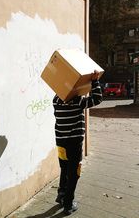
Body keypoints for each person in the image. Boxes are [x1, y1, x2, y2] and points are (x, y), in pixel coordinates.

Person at [53, 71, 102, 215]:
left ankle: (61, 195)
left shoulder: (56, 100)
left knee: (64, 168)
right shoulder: (77, 101)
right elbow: (97, 99)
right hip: (74, 142)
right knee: (74, 172)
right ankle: (68, 204)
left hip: (61, 142)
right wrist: (94, 81)